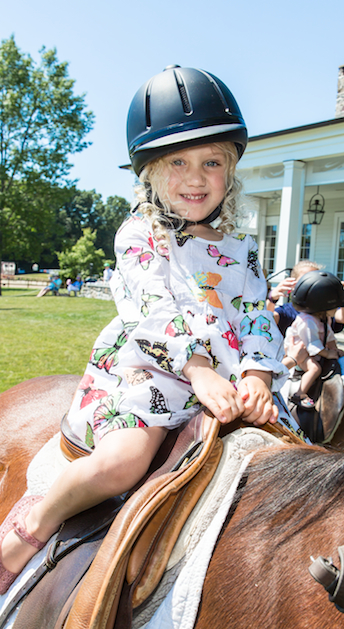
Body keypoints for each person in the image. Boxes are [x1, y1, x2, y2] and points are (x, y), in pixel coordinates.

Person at [0, 65, 292, 594]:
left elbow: (255, 313)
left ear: (230, 171)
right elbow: (151, 309)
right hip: (155, 372)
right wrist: (198, 371)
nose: (196, 178)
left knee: (300, 458)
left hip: (227, 382)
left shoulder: (241, 248)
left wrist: (257, 377)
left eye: (212, 162)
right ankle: (34, 525)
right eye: (178, 162)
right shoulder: (140, 234)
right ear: (151, 173)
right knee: (122, 462)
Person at [284, 270, 344, 409]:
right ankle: (299, 394)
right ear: (322, 305)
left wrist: (334, 349)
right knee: (315, 369)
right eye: (335, 306)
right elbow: (312, 344)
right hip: (301, 354)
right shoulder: (307, 321)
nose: (337, 308)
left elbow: (329, 335)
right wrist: (327, 353)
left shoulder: (323, 318)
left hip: (314, 352)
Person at [267, 260, 344, 337]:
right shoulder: (287, 311)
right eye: (306, 280)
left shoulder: (324, 310)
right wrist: (272, 299)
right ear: (293, 284)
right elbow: (266, 320)